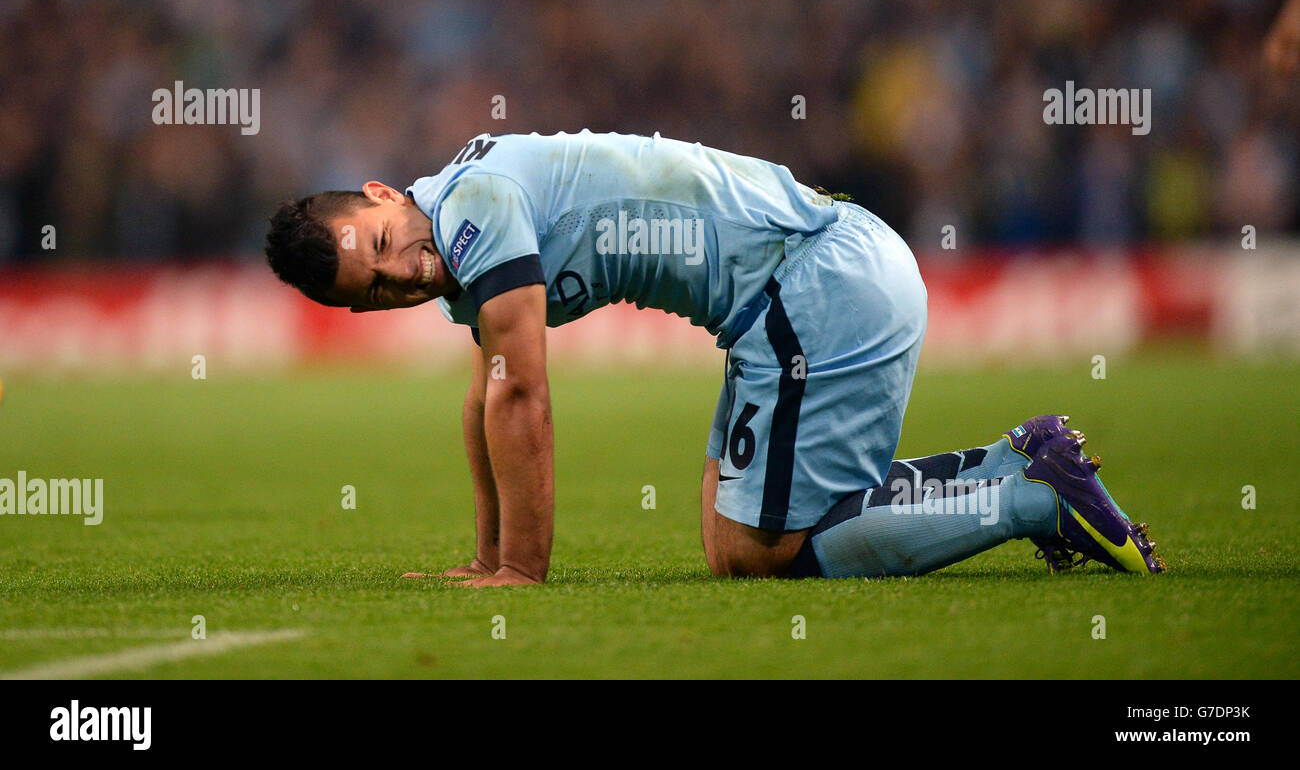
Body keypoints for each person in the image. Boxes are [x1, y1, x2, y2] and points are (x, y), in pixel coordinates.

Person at [265, 130, 1163, 586]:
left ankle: (1030, 503)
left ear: (383, 193)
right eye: (376, 290)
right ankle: (1013, 460)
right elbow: (486, 391)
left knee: (760, 555)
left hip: (816, 283)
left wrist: (517, 575)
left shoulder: (474, 209)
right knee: (728, 538)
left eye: (380, 243)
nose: (403, 274)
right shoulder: (459, 215)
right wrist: (483, 554)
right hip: (798, 291)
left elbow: (522, 390)